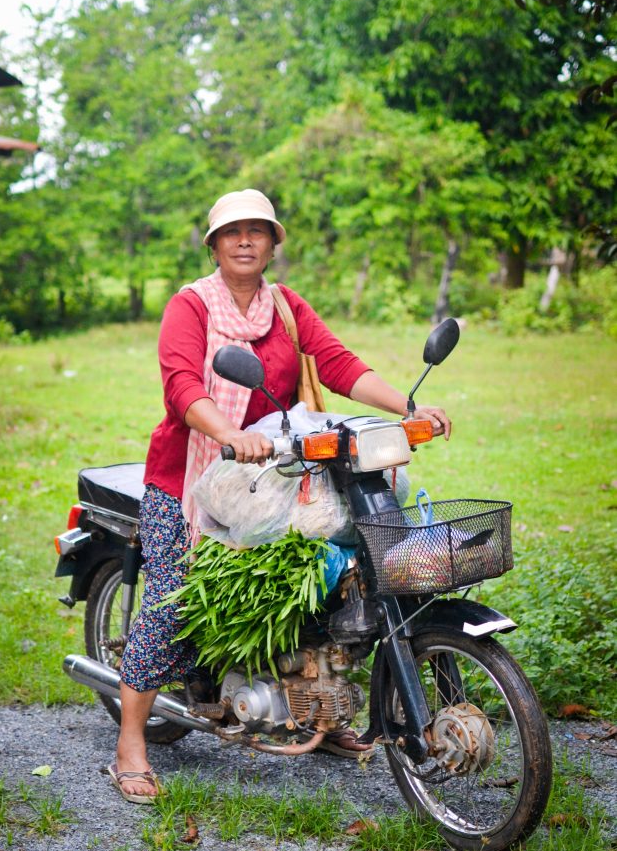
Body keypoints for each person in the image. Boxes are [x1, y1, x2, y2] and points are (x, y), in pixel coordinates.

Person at [108, 188, 451, 802]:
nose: (245, 240)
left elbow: (338, 363)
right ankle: (131, 743)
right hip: (191, 473)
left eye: (257, 231)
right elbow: (182, 384)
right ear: (214, 244)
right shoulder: (190, 307)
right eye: (232, 231)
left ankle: (322, 707)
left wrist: (410, 407)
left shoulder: (286, 308)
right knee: (173, 598)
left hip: (277, 471)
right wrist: (229, 434)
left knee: (333, 574)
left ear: (272, 244)